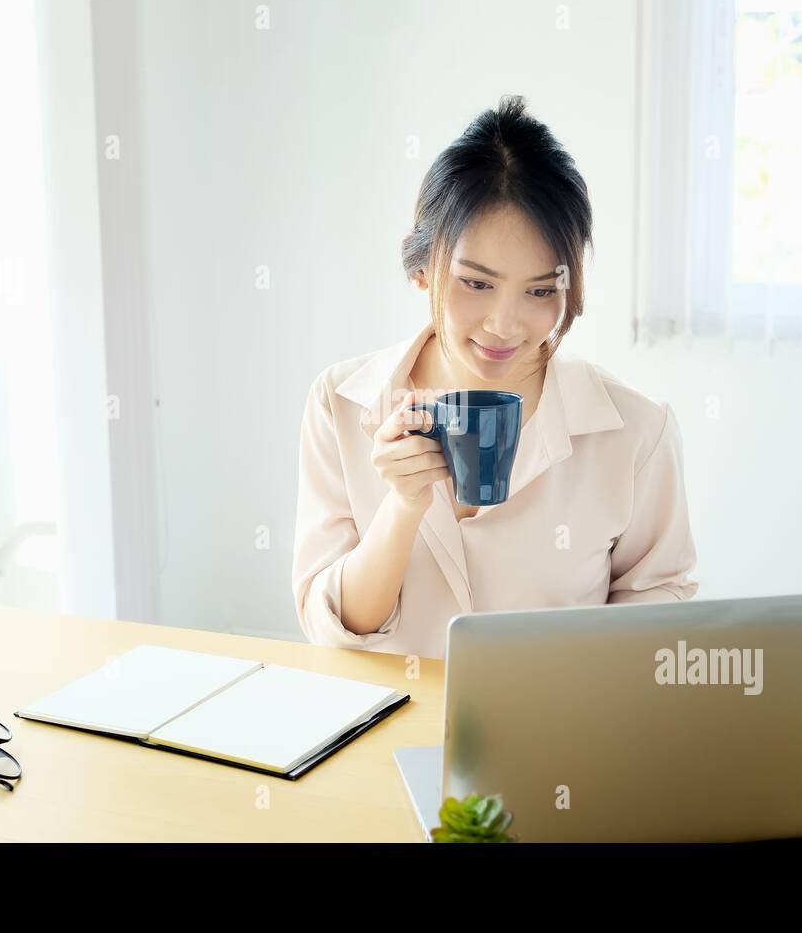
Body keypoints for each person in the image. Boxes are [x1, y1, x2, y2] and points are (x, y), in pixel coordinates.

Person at [292, 95, 698, 660]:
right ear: (424, 266)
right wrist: (403, 507)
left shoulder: (635, 430)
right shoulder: (339, 403)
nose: (505, 324)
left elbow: (659, 615)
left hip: (556, 739)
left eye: (539, 291)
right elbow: (334, 628)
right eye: (476, 283)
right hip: (386, 734)